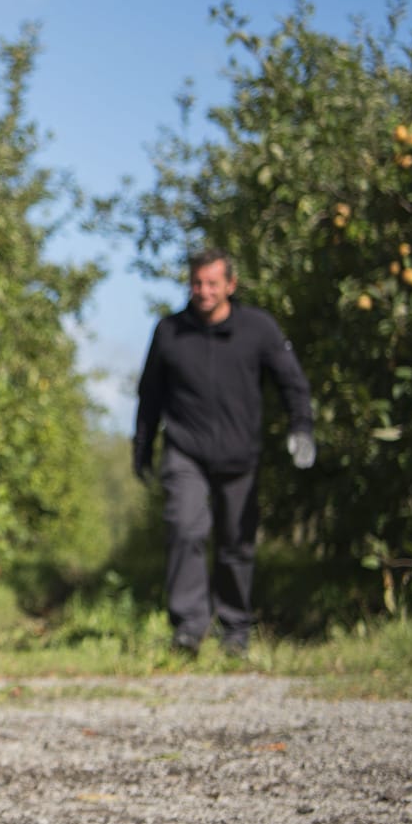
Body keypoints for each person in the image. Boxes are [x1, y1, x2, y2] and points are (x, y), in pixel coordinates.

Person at [133, 248, 314, 654]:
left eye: (213, 283)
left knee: (236, 543)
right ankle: (188, 627)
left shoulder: (258, 329)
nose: (204, 291)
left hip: (239, 453)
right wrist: (141, 447)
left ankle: (234, 630)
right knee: (185, 528)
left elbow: (293, 383)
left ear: (231, 285)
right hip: (186, 451)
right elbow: (149, 395)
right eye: (197, 282)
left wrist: (301, 427)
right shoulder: (169, 332)